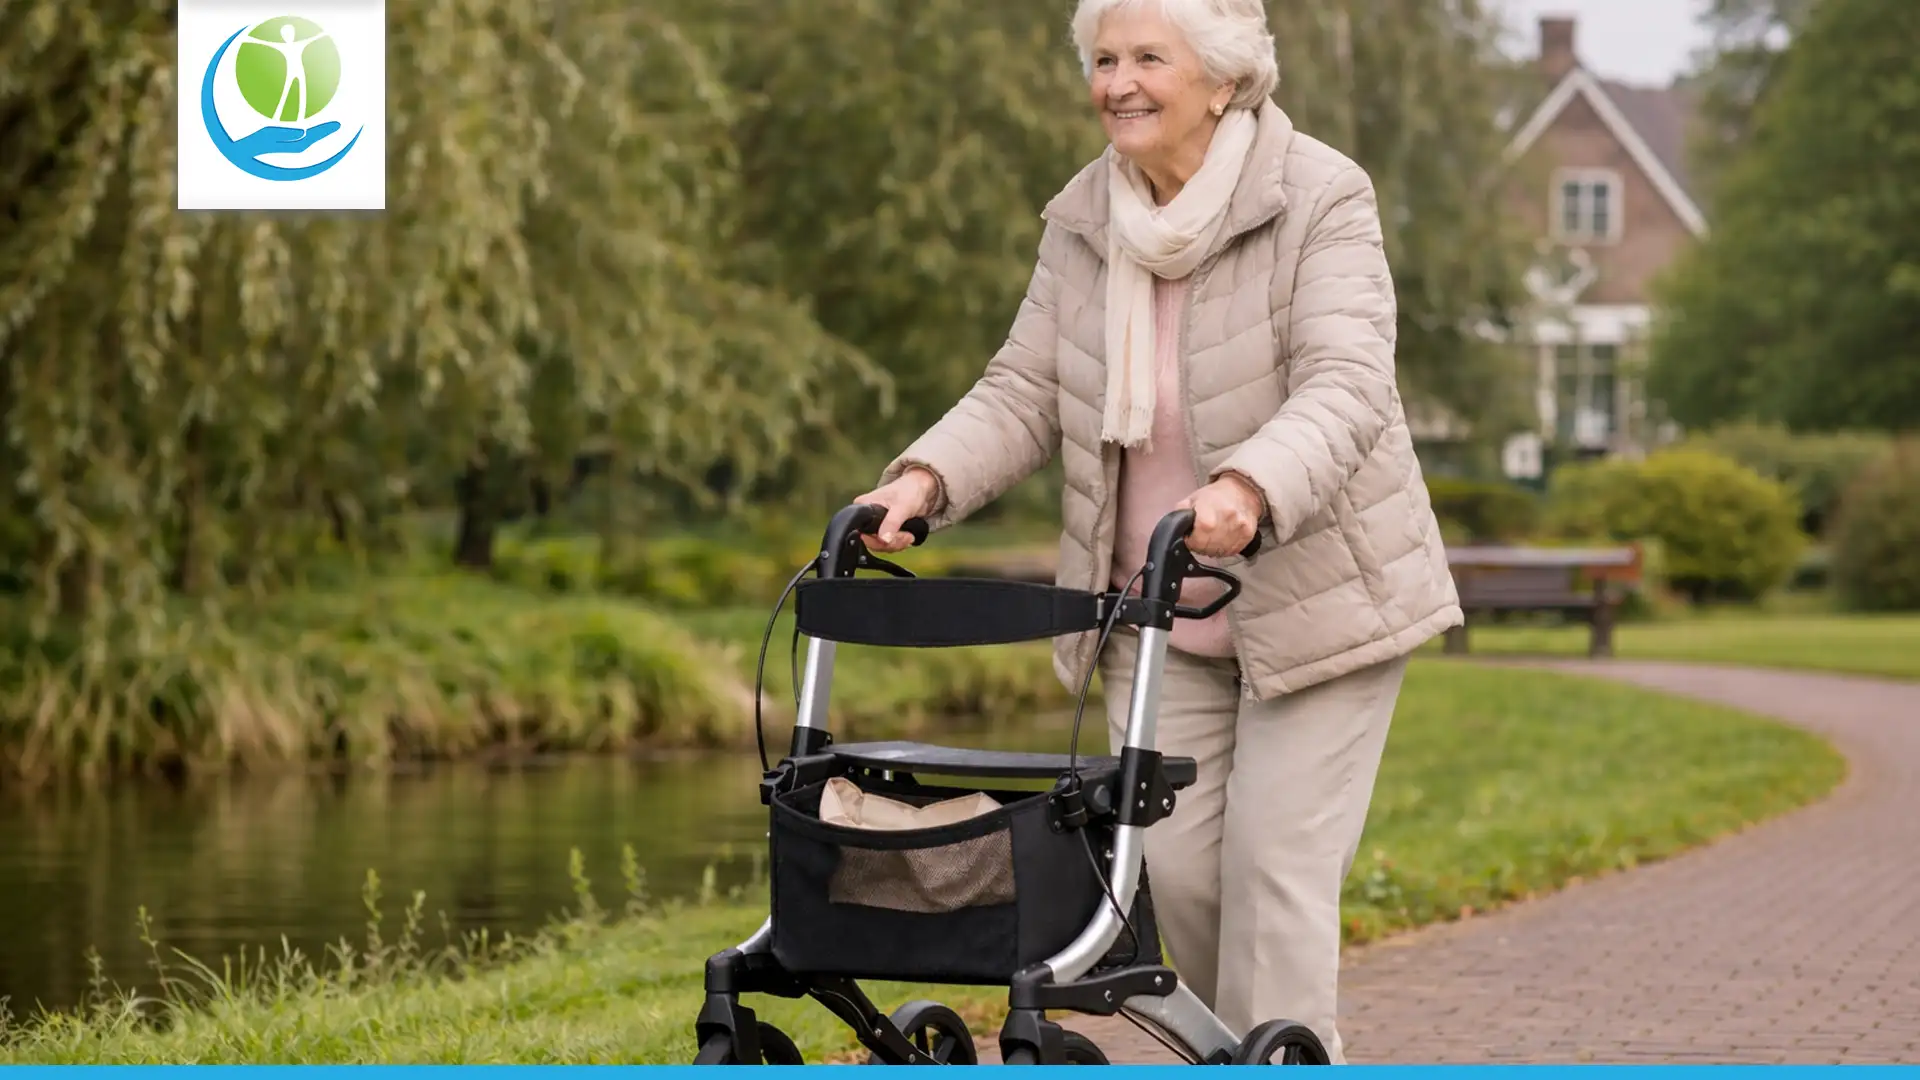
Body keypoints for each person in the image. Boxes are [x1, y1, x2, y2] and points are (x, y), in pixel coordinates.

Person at [852, 0, 1461, 1062]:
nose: (1118, 82)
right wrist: (921, 480)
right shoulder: (1086, 217)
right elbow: (1025, 389)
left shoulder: (1320, 194)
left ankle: (1280, 1056)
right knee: (1179, 877)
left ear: (1223, 81)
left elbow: (1347, 380)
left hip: (1319, 600)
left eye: (1147, 58)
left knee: (1273, 871)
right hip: (1158, 613)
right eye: (1103, 59)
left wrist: (1251, 486)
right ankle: (1250, 1057)